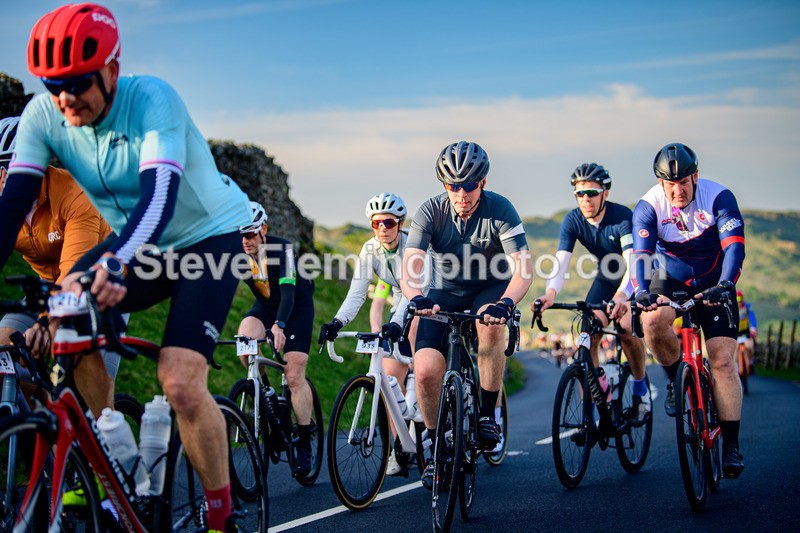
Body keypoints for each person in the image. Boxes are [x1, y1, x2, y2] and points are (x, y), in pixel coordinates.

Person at [0, 5, 252, 531]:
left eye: (78, 83)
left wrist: (114, 263)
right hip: (135, 240)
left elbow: (160, 195)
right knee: (67, 317)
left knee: (180, 382)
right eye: (53, 85)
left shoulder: (152, 99)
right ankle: (115, 467)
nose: (66, 98)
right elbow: (10, 207)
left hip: (206, 238)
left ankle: (221, 517)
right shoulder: (42, 117)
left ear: (112, 69)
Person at [399, 141, 532, 489]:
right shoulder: (430, 211)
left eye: (469, 185)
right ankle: (435, 445)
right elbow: (411, 268)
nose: (461, 194)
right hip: (442, 293)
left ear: (483, 182)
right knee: (426, 370)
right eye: (453, 186)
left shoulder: (501, 209)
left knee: (489, 328)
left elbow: (523, 271)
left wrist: (505, 303)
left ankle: (487, 415)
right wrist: (415, 297)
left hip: (489, 289)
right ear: (444, 186)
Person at [632, 142, 746, 479]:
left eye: (684, 182)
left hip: (714, 279)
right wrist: (641, 291)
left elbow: (734, 249)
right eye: (671, 184)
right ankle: (675, 380)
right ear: (661, 183)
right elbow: (641, 255)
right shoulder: (648, 205)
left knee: (722, 359)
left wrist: (726, 284)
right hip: (671, 278)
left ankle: (731, 445)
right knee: (651, 320)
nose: (678, 191)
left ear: (696, 177)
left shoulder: (718, 197)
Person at [0, 115, 119, 404]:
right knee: (4, 352)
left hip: (98, 281)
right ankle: (45, 422)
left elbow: (73, 272)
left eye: (6, 168)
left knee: (86, 385)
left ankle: (107, 439)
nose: (1, 178)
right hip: (45, 285)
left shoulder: (75, 194)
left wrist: (45, 321)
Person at [532, 163, 649, 421]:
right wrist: (549, 294)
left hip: (635, 276)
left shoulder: (621, 217)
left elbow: (632, 267)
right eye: (580, 193)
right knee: (588, 331)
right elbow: (560, 263)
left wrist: (622, 298)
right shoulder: (573, 220)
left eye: (592, 193)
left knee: (626, 328)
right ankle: (594, 406)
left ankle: (641, 392)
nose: (586, 199)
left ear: (605, 193)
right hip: (607, 276)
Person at [319, 192, 423, 476]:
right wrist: (337, 322)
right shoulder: (370, 249)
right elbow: (357, 293)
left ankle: (431, 430)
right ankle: (399, 445)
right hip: (403, 301)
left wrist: (397, 323)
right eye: (376, 223)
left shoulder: (412, 246)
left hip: (426, 298)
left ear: (400, 223)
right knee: (389, 375)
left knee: (420, 359)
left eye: (389, 222)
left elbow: (413, 293)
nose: (383, 229)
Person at [237, 201, 315, 475]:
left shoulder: (282, 249)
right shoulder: (237, 254)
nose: (245, 240)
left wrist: (279, 326)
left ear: (263, 230)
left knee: (293, 375)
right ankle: (267, 395)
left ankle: (304, 442)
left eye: (249, 234)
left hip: (295, 306)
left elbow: (289, 294)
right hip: (268, 305)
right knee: (244, 342)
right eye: (240, 235)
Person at [735, 289, 756, 379]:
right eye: (737, 300)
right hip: (736, 331)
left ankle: (750, 363)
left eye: (740, 300)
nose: (739, 303)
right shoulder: (732, 308)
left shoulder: (747, 307)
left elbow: (752, 317)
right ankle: (736, 366)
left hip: (745, 331)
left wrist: (753, 328)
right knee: (734, 349)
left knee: (750, 346)